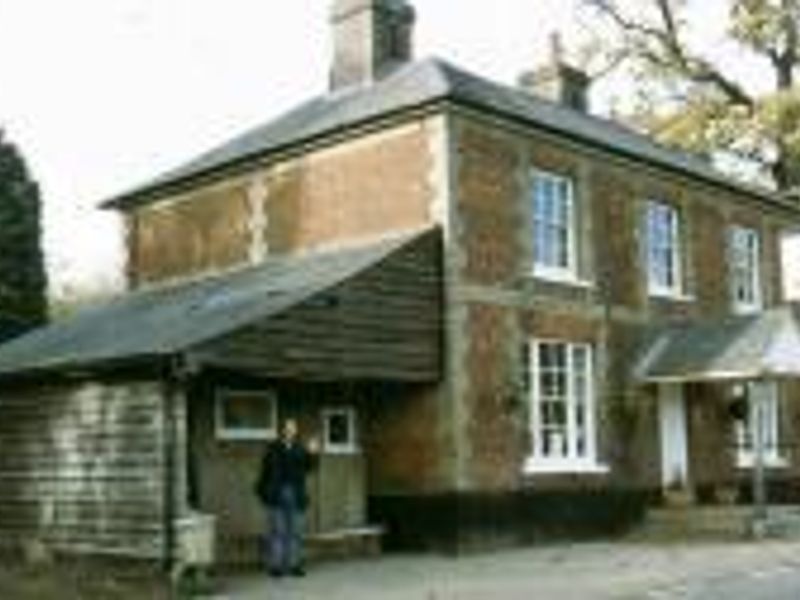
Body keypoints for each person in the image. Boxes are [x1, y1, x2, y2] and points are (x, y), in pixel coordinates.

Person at [255, 418, 319, 577]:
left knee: (295, 531)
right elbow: (265, 472)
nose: (291, 431)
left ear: (296, 431)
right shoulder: (273, 448)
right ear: (282, 430)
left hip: (296, 493)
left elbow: (310, 468)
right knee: (278, 531)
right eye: (288, 428)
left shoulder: (300, 448)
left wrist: (313, 453)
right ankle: (276, 566)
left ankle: (294, 565)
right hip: (277, 493)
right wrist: (264, 492)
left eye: (293, 428)